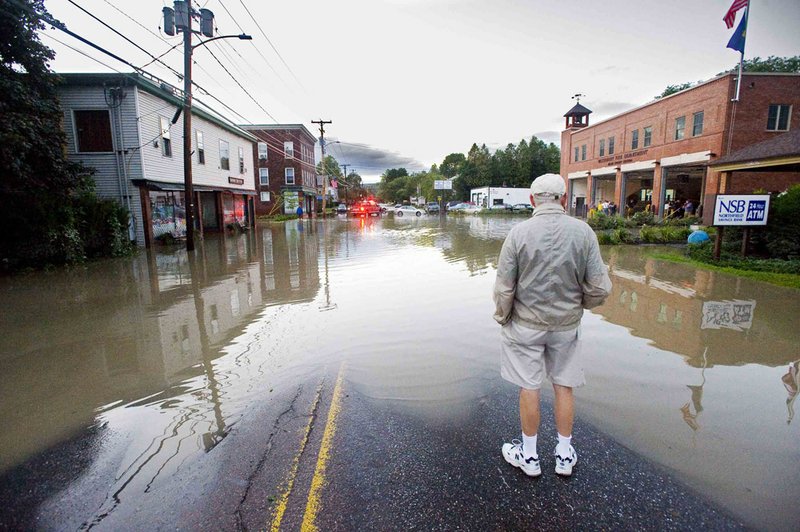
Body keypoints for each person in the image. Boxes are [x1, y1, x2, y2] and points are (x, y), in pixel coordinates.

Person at [493, 173, 612, 477]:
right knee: (564, 385)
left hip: (525, 324)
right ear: (563, 199)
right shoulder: (584, 233)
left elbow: (505, 287)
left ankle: (530, 457)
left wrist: (503, 317)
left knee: (529, 386)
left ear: (532, 200)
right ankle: (563, 455)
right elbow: (600, 288)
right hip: (566, 326)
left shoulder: (518, 234)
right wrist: (577, 306)